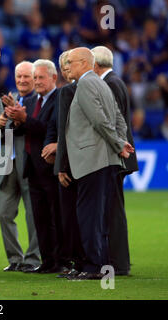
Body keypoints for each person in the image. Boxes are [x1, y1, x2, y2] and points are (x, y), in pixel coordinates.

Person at [65, 47, 134, 280]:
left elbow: (99, 120)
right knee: (99, 215)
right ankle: (101, 264)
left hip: (92, 160)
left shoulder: (85, 84)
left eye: (71, 62)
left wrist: (117, 143)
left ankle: (94, 266)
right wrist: (121, 142)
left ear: (85, 62)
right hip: (105, 160)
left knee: (89, 215)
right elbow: (118, 119)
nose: (67, 66)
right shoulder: (102, 83)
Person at [10, 59, 66, 274]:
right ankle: (48, 261)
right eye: (35, 78)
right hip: (32, 168)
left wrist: (24, 119)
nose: (37, 81)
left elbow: (49, 130)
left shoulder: (59, 98)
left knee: (55, 216)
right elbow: (24, 131)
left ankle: (61, 260)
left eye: (40, 77)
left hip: (51, 167)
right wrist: (15, 120)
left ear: (53, 78)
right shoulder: (33, 101)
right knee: (40, 218)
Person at [0, 61, 41, 273]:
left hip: (31, 164)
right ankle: (15, 258)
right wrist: (0, 124)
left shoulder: (40, 101)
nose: (22, 80)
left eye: (27, 76)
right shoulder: (5, 101)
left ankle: (33, 258)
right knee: (3, 213)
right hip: (6, 164)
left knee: (33, 214)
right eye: (19, 76)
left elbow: (41, 130)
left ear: (35, 78)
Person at [92, 45, 139, 276]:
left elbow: (112, 124)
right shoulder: (116, 82)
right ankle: (118, 261)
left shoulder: (109, 84)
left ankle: (118, 263)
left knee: (112, 211)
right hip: (118, 154)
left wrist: (117, 149)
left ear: (95, 65)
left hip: (115, 156)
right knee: (113, 210)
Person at [51, 51, 85, 278]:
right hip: (87, 162)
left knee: (72, 216)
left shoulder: (67, 91)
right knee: (82, 215)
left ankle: (77, 263)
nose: (65, 69)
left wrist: (61, 166)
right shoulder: (90, 88)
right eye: (63, 65)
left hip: (72, 165)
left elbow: (64, 131)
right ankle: (81, 262)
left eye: (68, 65)